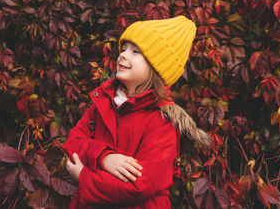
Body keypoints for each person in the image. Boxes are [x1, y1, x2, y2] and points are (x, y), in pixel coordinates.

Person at [63, 16, 210, 208]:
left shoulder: (162, 120)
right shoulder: (104, 103)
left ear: (156, 67)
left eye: (135, 52)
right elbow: (73, 143)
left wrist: (84, 177)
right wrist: (104, 157)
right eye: (123, 49)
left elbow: (139, 186)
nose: (123, 55)